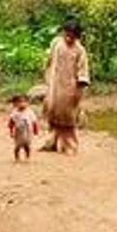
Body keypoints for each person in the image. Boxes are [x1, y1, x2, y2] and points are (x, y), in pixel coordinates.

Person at [42, 18, 90, 154]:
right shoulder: (56, 43)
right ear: (63, 33)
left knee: (68, 116)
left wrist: (79, 89)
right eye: (67, 35)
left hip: (71, 88)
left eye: (72, 37)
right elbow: (49, 59)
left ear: (77, 37)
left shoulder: (80, 50)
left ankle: (69, 145)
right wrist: (47, 74)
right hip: (54, 85)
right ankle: (52, 141)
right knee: (52, 113)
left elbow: (83, 71)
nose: (69, 38)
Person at [8, 94, 39, 162]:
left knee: (27, 145)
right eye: (19, 102)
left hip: (28, 131)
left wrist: (36, 130)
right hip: (18, 132)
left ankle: (27, 157)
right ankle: (17, 157)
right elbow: (11, 122)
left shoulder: (30, 112)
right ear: (15, 104)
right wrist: (11, 131)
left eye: (24, 102)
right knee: (17, 146)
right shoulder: (15, 112)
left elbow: (34, 121)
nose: (22, 104)